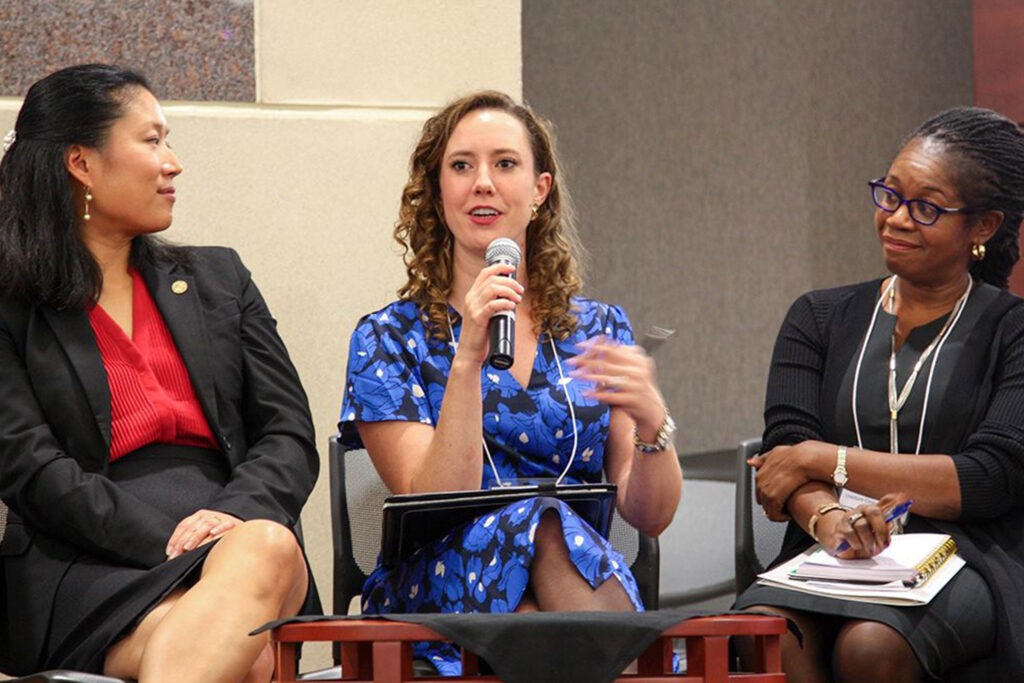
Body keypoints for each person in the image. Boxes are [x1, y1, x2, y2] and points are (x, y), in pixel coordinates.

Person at [338, 90, 682, 675]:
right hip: (440, 583)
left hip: (571, 578)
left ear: (539, 190)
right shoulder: (387, 338)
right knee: (541, 521)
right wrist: (468, 358)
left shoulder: (599, 328)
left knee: (533, 613)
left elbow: (650, 515)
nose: (482, 184)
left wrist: (654, 424)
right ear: (437, 190)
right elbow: (436, 500)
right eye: (461, 166)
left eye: (505, 163)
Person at [0, 64, 320, 681]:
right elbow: (29, 468)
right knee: (247, 659)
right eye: (152, 141)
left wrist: (231, 521)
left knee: (265, 546)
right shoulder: (13, 303)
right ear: (82, 164)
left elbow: (288, 434)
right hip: (84, 565)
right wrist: (177, 541)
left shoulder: (221, 280)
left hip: (238, 534)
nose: (173, 163)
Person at [734, 106, 1024, 681]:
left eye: (926, 208)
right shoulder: (818, 317)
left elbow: (991, 476)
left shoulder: (1011, 329)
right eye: (889, 195)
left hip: (967, 556)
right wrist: (830, 520)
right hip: (828, 550)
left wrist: (825, 458)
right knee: (763, 632)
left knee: (871, 644)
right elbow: (785, 446)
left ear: (983, 227)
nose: (895, 219)